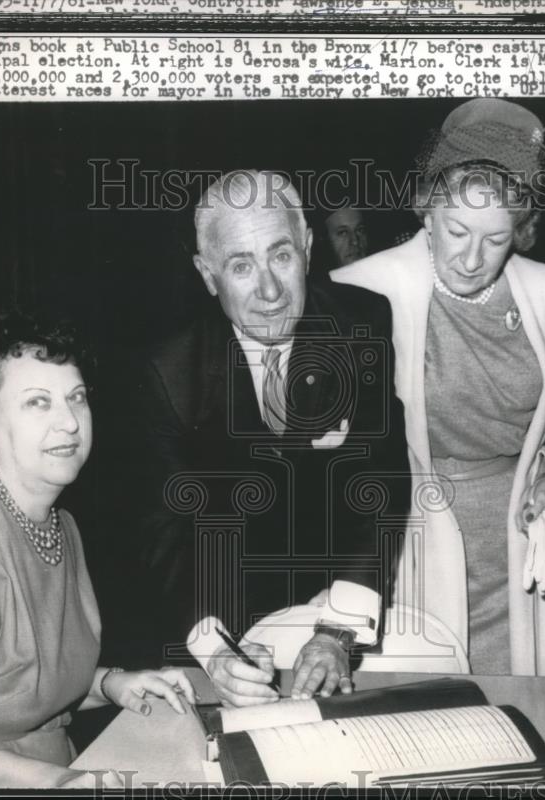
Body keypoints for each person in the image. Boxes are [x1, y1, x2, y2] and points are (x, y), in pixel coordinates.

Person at [0, 311, 195, 789]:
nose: (68, 422)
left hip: (43, 767)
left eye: (77, 398)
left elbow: (16, 682)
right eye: (38, 403)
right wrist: (66, 785)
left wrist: (111, 683)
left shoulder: (57, 522)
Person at [333, 99, 545, 676]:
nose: (473, 258)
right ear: (427, 209)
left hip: (517, 548)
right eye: (456, 230)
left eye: (495, 238)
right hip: (408, 542)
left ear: (522, 231)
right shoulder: (358, 292)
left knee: (524, 714)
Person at [138, 170, 410, 706]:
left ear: (307, 247)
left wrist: (337, 632)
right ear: (207, 274)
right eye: (241, 266)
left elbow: (379, 483)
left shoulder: (361, 326)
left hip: (340, 598)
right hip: (229, 611)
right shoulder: (169, 374)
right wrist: (217, 650)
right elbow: (166, 534)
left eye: (281, 256)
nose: (268, 291)